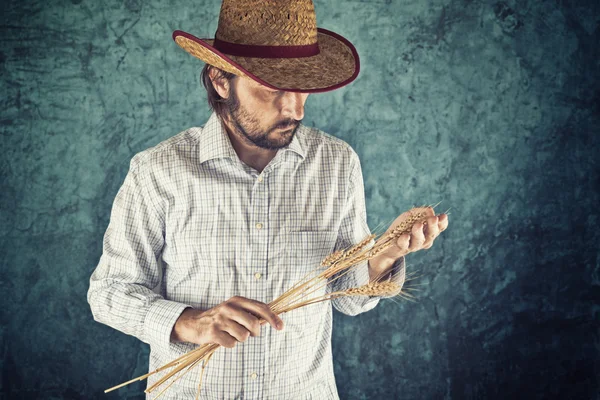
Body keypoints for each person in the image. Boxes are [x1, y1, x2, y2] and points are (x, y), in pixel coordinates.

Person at [87, 1, 448, 399]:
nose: (294, 108)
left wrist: (385, 253)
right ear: (221, 81)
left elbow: (347, 295)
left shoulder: (337, 163)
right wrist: (192, 322)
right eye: (273, 87)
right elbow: (110, 292)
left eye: (302, 86)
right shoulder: (158, 170)